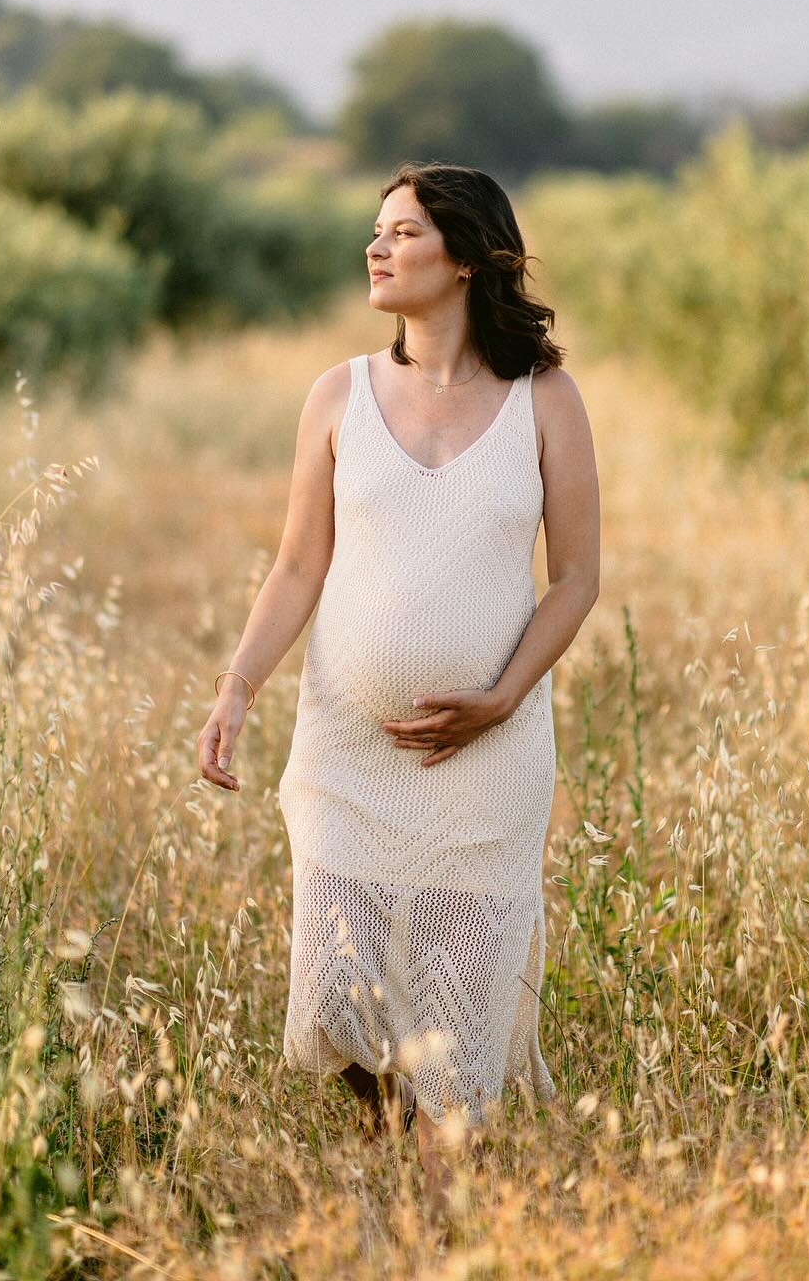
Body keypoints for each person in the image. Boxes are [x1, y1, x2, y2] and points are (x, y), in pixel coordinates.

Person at [196, 161, 600, 1213]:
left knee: (458, 1017)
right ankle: (389, 1161)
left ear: (465, 256)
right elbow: (297, 566)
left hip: (488, 761)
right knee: (341, 991)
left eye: (404, 233)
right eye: (376, 232)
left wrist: (505, 696)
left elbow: (579, 580)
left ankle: (432, 1218)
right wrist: (239, 686)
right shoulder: (338, 394)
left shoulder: (544, 401)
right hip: (350, 753)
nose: (377, 249)